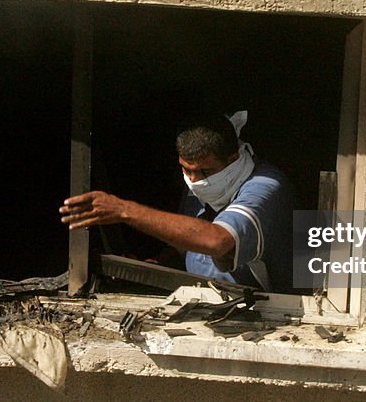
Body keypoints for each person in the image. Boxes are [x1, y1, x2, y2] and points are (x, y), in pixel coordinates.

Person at [59, 112, 294, 293]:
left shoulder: (266, 187)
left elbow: (217, 240)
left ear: (233, 159)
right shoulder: (198, 186)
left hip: (265, 313)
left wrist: (124, 209)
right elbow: (189, 248)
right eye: (186, 169)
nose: (194, 181)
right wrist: (156, 265)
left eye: (205, 171)